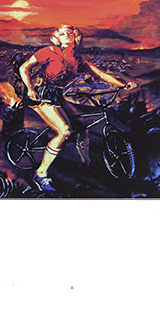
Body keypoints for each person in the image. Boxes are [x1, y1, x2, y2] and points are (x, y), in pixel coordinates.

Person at [19, 25, 136, 191]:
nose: (66, 35)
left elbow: (101, 74)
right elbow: (23, 67)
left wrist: (123, 85)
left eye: (69, 33)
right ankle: (40, 173)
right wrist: (30, 89)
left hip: (57, 96)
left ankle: (84, 164)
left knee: (82, 127)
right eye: (62, 33)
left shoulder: (78, 59)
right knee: (65, 131)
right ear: (57, 37)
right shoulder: (48, 52)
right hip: (41, 94)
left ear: (75, 36)